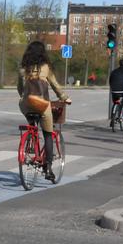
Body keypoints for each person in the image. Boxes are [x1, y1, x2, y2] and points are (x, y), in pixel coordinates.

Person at [17, 41, 70, 181]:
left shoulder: (23, 68)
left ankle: (31, 137)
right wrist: (64, 98)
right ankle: (48, 168)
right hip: (42, 104)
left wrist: (26, 97)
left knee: (32, 123)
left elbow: (20, 89)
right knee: (48, 134)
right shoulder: (45, 67)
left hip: (26, 104)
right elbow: (55, 86)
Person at [109, 59, 123, 125]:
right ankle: (121, 116)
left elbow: (110, 80)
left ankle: (112, 119)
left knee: (115, 103)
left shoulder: (114, 71)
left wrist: (112, 87)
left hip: (114, 90)